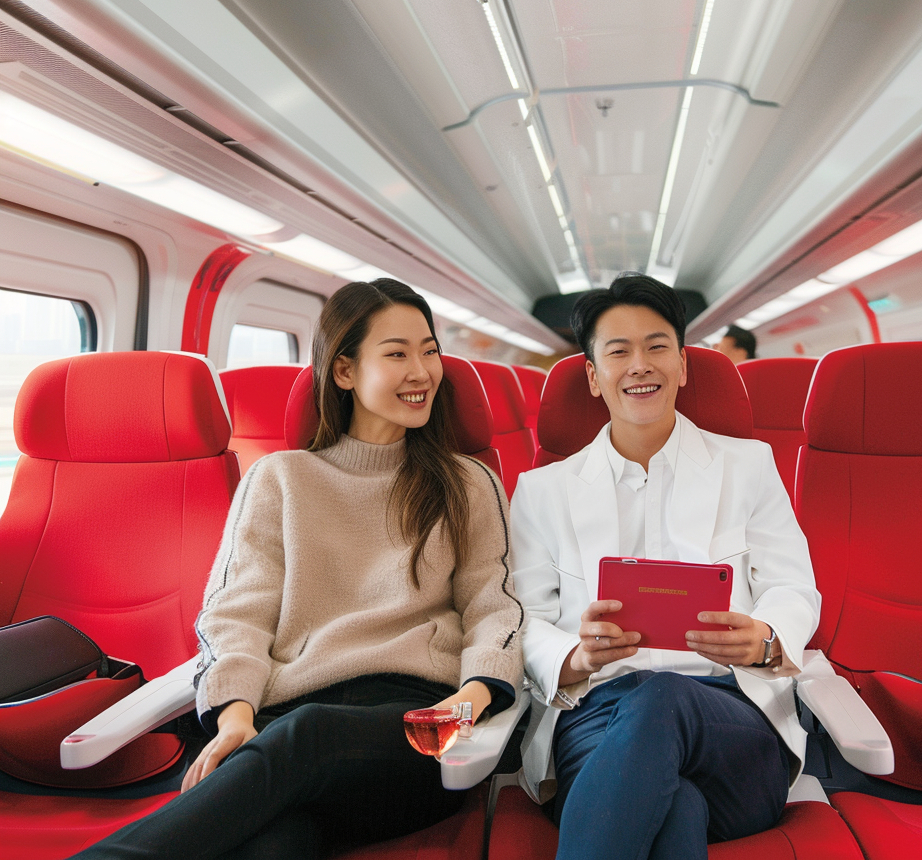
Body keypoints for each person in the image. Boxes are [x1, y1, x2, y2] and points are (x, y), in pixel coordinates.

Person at [69, 278, 523, 860]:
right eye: (397, 353)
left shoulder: (468, 483)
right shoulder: (280, 479)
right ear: (344, 372)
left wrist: (470, 699)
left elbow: (496, 607)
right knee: (274, 845)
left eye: (429, 350)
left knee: (308, 735)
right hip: (285, 724)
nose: (423, 371)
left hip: (417, 723)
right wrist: (234, 717)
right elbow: (236, 614)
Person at [510, 273, 819, 860]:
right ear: (594, 377)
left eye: (656, 347)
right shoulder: (542, 491)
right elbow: (523, 618)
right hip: (595, 719)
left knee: (662, 698)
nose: (640, 365)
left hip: (733, 716)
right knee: (674, 808)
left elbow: (793, 586)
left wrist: (764, 639)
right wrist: (572, 656)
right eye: (618, 352)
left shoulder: (748, 467)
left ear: (681, 364)